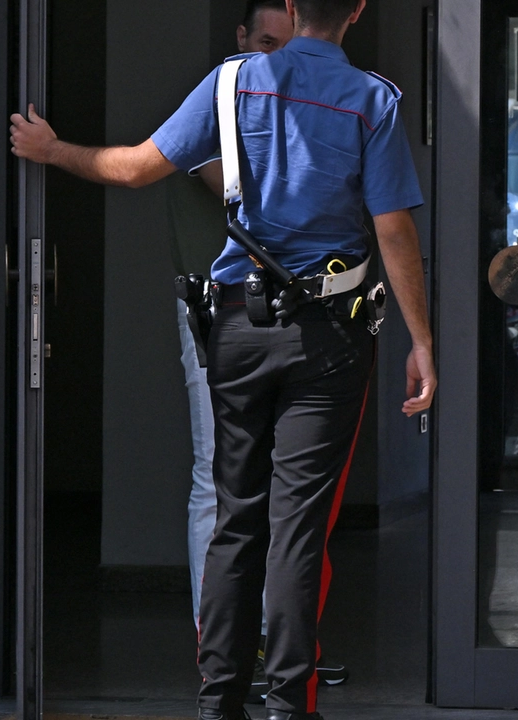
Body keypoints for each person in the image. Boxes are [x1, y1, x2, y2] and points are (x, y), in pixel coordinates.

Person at [9, 0, 437, 718]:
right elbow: (392, 229)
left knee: (237, 515)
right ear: (358, 11)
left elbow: (139, 166)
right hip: (330, 332)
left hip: (237, 323)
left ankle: (218, 701)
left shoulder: (231, 83)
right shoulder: (372, 100)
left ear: (294, 7)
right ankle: (288, 703)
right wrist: (423, 340)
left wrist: (55, 152)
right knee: (299, 522)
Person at [170, 0, 346, 697]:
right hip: (224, 315)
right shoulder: (222, 103)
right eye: (265, 42)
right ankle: (217, 648)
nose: (277, 56)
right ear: (241, 39)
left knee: (280, 495)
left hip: (290, 318)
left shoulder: (277, 103)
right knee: (217, 485)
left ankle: (274, 649)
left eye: (287, 42)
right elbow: (260, 196)